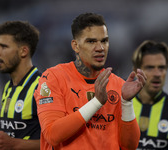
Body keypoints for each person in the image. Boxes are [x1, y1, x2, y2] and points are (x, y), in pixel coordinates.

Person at [34, 12, 146, 150]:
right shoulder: (53, 78)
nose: (100, 48)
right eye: (91, 41)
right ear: (75, 46)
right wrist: (96, 103)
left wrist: (126, 103)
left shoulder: (118, 86)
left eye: (104, 41)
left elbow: (129, 146)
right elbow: (53, 135)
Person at [132, 40, 168, 150]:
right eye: (150, 67)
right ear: (136, 71)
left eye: (161, 68)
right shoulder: (120, 104)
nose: (157, 74)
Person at [0, 21, 41, 150]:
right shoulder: (8, 87)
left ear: (23, 51)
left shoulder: (43, 87)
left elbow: (59, 142)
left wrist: (14, 144)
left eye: (4, 46)